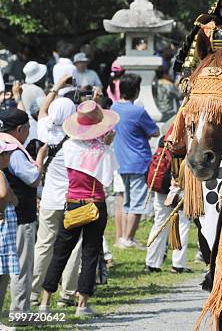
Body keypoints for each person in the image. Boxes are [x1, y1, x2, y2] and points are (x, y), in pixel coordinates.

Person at [40, 100, 118, 316]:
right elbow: (108, 180)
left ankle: (45, 301)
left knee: (60, 252)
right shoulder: (103, 150)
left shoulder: (68, 146)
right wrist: (108, 146)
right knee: (90, 253)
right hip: (95, 203)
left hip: (73, 202)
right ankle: (82, 304)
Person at [30, 75, 81, 307]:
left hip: (50, 198)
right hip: (72, 200)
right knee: (72, 247)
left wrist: (56, 87)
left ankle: (33, 291)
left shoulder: (44, 132)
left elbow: (42, 111)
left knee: (44, 246)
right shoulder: (79, 138)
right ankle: (67, 294)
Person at [0, 108, 41, 314]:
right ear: (20, 129)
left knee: (4, 269)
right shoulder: (13, 151)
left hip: (5, 217)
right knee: (21, 268)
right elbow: (33, 178)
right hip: (19, 216)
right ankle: (20, 312)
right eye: (27, 129)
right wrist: (41, 156)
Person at [111, 73, 159, 249]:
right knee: (137, 203)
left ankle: (123, 237)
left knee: (125, 201)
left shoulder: (114, 108)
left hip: (121, 161)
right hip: (139, 162)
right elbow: (155, 132)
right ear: (136, 91)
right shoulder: (138, 111)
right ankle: (128, 238)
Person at [144, 131, 191, 274]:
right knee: (182, 224)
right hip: (179, 185)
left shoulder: (165, 136)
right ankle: (178, 264)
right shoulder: (187, 136)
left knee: (159, 223)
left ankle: (152, 263)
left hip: (161, 187)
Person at [0, 140, 20, 314]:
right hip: (3, 230)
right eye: (7, 153)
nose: (9, 156)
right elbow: (3, 193)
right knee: (1, 276)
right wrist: (1, 210)